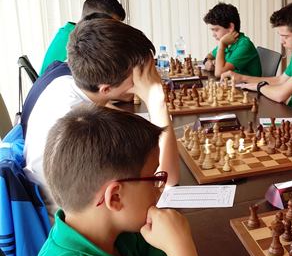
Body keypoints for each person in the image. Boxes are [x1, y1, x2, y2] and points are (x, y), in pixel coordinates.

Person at [6, 105, 285, 256]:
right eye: (154, 178)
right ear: (115, 197)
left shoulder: (97, 230)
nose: (160, 189)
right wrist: (181, 247)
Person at [24, 18, 179, 219]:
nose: (149, 78)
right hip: (68, 221)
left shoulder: (65, 83)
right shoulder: (83, 124)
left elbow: (116, 114)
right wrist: (156, 99)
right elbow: (167, 180)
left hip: (60, 206)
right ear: (106, 89)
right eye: (142, 73)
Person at [222, 2, 292, 113]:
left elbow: (280, 95)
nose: (281, 41)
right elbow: (280, 80)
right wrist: (242, 78)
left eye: (285, 36)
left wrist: (259, 86)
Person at [39, 0, 126, 74]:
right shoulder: (76, 40)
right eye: (110, 26)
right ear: (94, 18)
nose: (113, 31)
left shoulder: (71, 32)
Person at [202, 2, 262, 78]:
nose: (213, 35)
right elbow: (210, 55)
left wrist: (222, 44)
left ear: (230, 27)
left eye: (216, 30)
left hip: (248, 85)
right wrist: (207, 61)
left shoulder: (244, 45)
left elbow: (219, 73)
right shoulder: (228, 43)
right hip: (233, 83)